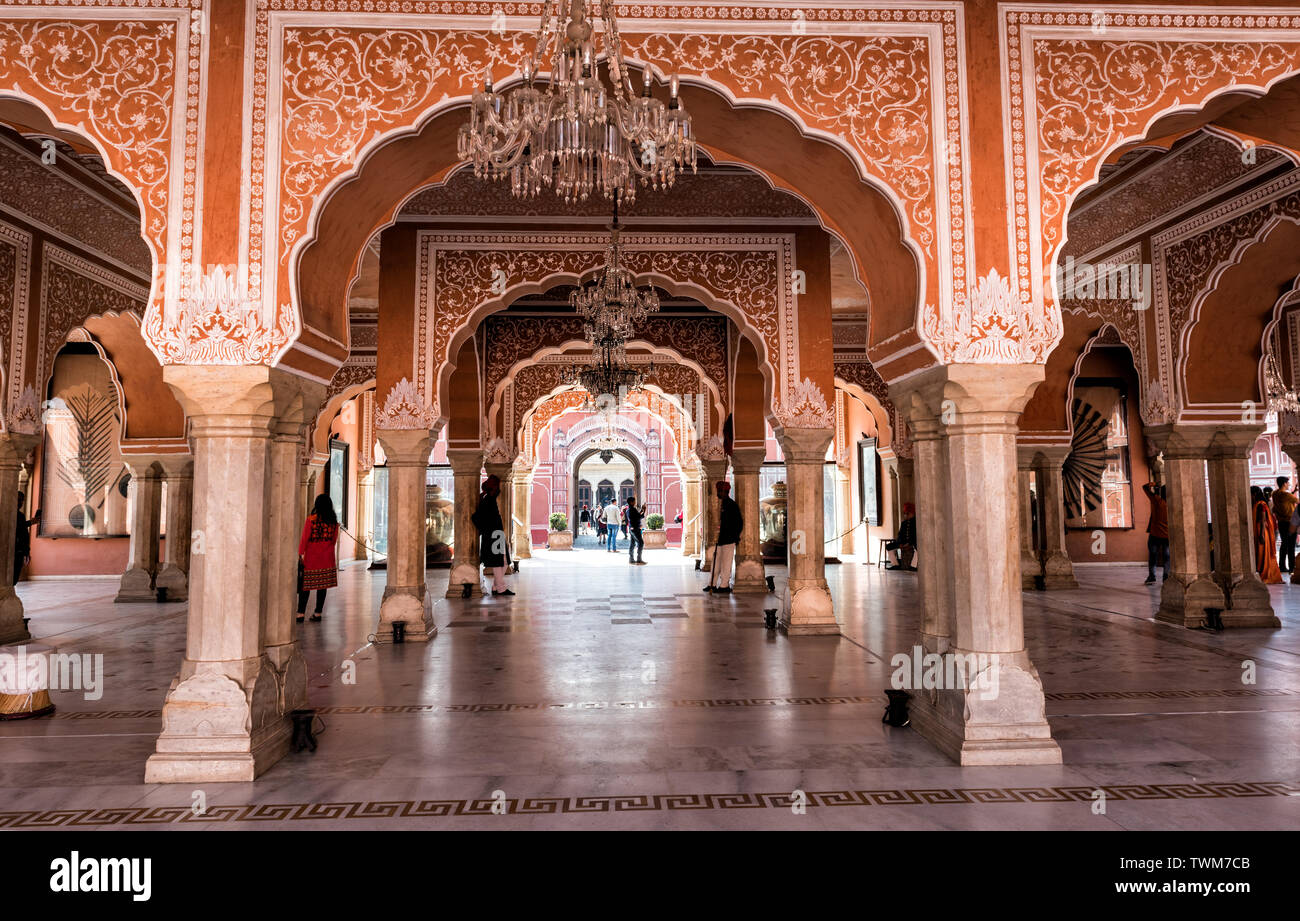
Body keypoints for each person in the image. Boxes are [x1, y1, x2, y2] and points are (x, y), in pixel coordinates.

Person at [298, 494, 340, 622]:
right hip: (327, 558)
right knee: (322, 587)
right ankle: (318, 613)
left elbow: (305, 538)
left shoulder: (311, 520)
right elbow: (333, 541)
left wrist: (300, 553)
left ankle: (300, 613)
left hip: (312, 558)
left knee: (306, 587)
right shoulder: (333, 522)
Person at [473, 475, 513, 596]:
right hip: (494, 535)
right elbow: (476, 517)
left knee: (503, 561)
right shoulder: (488, 500)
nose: (498, 487)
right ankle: (500, 588)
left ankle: (496, 587)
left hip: (495, 534)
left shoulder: (488, 498)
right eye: (496, 485)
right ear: (493, 488)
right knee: (500, 561)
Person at [704, 481, 743, 593]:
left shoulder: (731, 505)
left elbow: (738, 523)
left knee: (726, 563)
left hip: (729, 539)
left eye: (719, 491)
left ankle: (724, 585)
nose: (717, 493)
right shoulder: (720, 504)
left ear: (724, 491)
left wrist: (735, 537)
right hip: (719, 539)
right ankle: (712, 584)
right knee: (715, 562)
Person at [1252, 485, 1284, 585]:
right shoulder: (1257, 504)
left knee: (1263, 553)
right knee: (1259, 552)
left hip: (1261, 531)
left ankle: (1264, 572)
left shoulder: (1261, 504)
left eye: (1251, 494)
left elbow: (1262, 520)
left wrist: (1261, 534)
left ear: (1255, 494)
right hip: (1258, 530)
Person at [1142, 481, 1169, 584]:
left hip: (1155, 534)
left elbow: (1145, 487)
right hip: (1168, 536)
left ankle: (1152, 576)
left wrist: (1153, 484)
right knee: (1167, 557)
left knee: (1153, 556)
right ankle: (1166, 578)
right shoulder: (1174, 505)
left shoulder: (1157, 501)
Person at [1273, 476, 1297, 573]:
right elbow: (1297, 501)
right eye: (1288, 483)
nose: (1289, 484)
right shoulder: (1287, 495)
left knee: (1284, 544)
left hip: (1281, 523)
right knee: (1291, 546)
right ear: (1284, 483)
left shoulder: (1275, 494)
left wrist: (1293, 491)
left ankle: (1282, 566)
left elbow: (1284, 499)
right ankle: (1292, 567)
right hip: (1290, 523)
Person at [13, 493, 39, 585]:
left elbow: (23, 534)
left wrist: (27, 552)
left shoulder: (20, 515)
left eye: (21, 500)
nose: (20, 502)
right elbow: (15, 528)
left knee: (15, 578)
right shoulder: (9, 514)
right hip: (13, 551)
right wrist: (30, 522)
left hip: (19, 551)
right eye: (18, 500)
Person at [884, 503, 917, 570]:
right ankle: (895, 564)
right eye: (905, 513)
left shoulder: (916, 522)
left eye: (907, 513)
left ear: (912, 513)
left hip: (913, 542)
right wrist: (900, 543)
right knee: (889, 547)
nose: (906, 515)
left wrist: (909, 544)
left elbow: (915, 535)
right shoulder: (904, 523)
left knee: (917, 548)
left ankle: (913, 566)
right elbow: (900, 535)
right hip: (903, 543)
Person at [625, 495, 645, 565]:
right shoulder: (632, 509)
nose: (635, 502)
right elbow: (639, 517)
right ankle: (639, 559)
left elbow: (638, 516)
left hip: (631, 528)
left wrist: (642, 510)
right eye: (634, 501)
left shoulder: (628, 509)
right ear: (631, 502)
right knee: (641, 543)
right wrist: (643, 510)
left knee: (632, 544)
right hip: (635, 528)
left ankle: (631, 559)